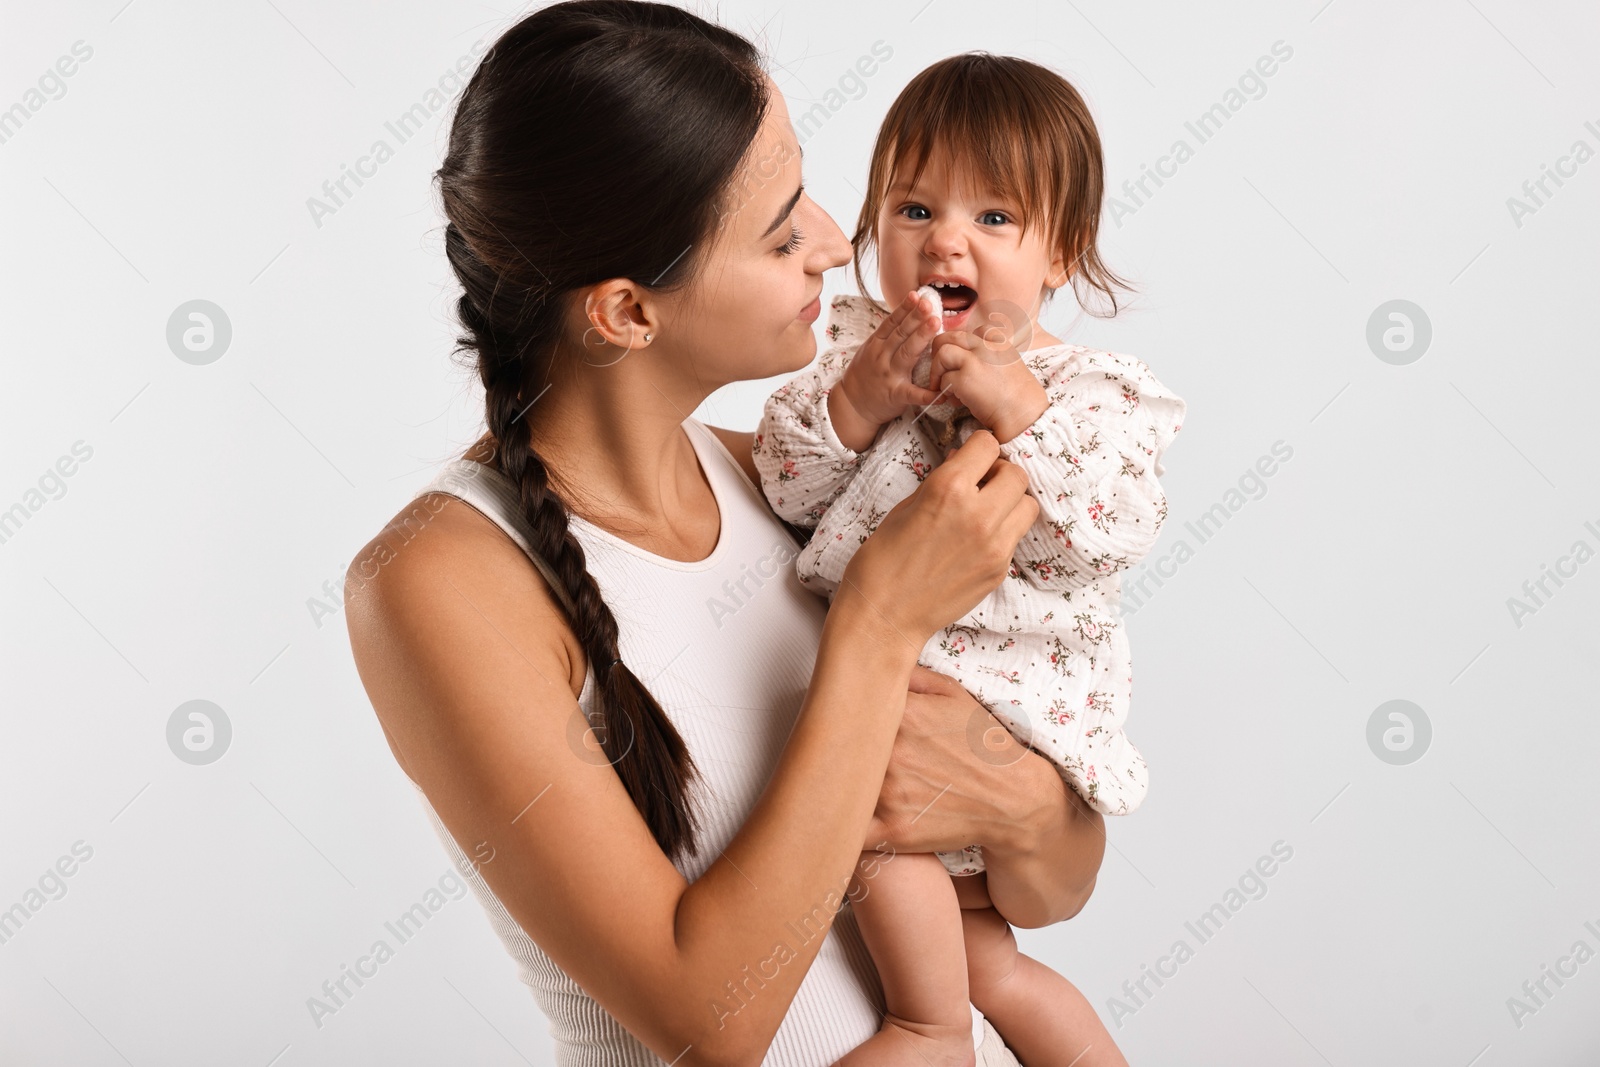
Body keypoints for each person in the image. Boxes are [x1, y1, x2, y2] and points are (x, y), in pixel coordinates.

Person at [344, 4, 1107, 1066]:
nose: (838, 245)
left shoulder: (788, 484)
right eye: (782, 225)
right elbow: (711, 1020)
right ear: (625, 311)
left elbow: (1058, 883)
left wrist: (1025, 805)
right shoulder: (438, 583)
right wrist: (878, 627)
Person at [752, 53, 1186, 1067]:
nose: (944, 238)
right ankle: (944, 1019)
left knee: (877, 841)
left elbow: (1120, 521)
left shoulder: (1087, 389)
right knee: (985, 959)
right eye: (912, 208)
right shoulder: (856, 352)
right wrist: (858, 403)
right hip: (890, 681)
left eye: (993, 218)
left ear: (1062, 252)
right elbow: (788, 487)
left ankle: (925, 1027)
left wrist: (1017, 408)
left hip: (1012, 695)